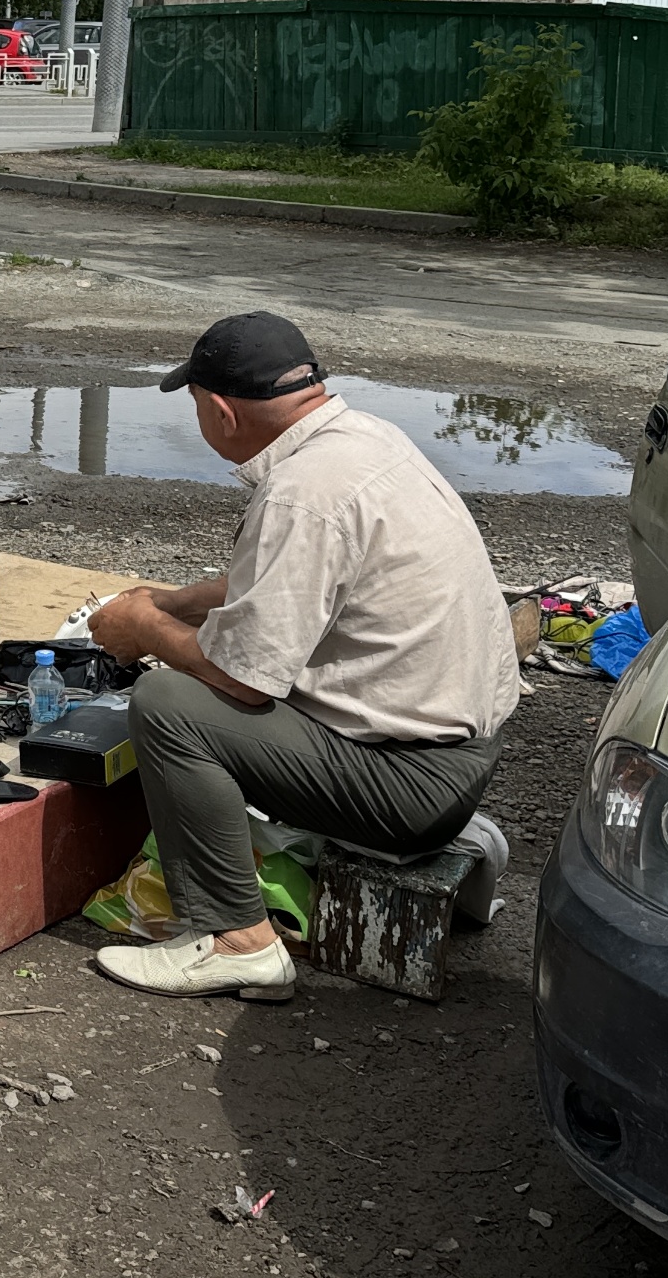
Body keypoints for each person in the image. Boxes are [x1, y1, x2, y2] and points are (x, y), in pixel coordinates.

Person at [86, 311, 518, 1000]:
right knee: (203, 674)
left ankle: (234, 940)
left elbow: (241, 682)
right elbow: (300, 580)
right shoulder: (364, 442)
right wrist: (177, 602)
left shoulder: (301, 494)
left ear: (222, 412)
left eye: (197, 407)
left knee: (170, 705)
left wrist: (143, 628)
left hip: (413, 784)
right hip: (459, 754)